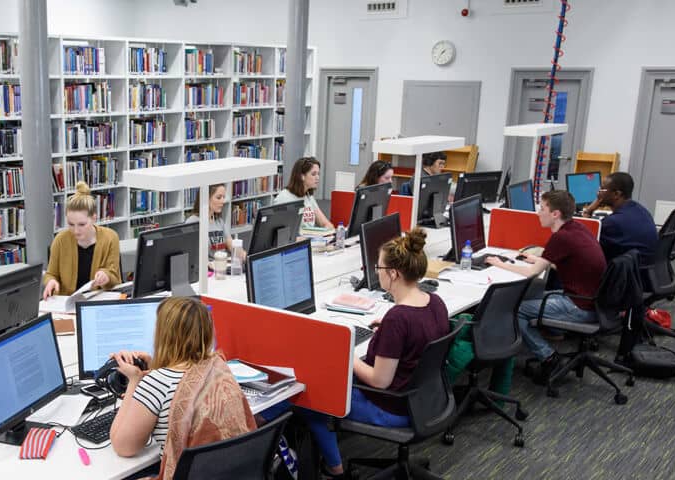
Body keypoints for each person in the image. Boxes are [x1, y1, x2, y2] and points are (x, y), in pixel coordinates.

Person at [259, 228, 449, 477]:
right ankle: (326, 463)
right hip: (424, 400)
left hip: (393, 408)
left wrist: (344, 353)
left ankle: (324, 466)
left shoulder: (399, 319)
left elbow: (379, 380)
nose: (375, 272)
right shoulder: (434, 302)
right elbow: (418, 338)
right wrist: (386, 333)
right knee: (319, 386)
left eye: (378, 268)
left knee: (310, 393)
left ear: (393, 274)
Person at [109, 296, 255, 479]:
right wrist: (155, 368)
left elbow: (123, 446)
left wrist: (134, 381)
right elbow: (182, 380)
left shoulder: (155, 383)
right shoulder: (218, 368)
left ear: (162, 335)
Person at [485, 190, 606, 382]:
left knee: (514, 309)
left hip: (580, 306)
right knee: (529, 298)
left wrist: (498, 263)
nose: (538, 213)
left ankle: (549, 357)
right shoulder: (577, 228)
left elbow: (530, 273)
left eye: (542, 209)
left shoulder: (561, 237)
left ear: (555, 214)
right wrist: (542, 259)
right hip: (590, 300)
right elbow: (571, 263)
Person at [42, 181, 121, 299]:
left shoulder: (110, 238)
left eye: (82, 224)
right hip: (66, 302)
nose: (76, 231)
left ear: (94, 218)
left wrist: (106, 277)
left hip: (97, 300)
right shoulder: (60, 240)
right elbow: (51, 274)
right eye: (71, 224)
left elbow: (115, 279)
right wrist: (51, 282)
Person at [581, 172, 658, 264]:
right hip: (643, 267)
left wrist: (588, 211)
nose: (598, 193)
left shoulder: (613, 223)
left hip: (626, 273)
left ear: (616, 194)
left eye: (602, 189)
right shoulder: (640, 209)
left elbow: (583, 241)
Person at [186, 183, 244, 262]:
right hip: (208, 271)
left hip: (223, 266)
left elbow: (231, 245)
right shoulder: (193, 222)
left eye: (223, 197)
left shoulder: (219, 222)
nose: (222, 201)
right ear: (207, 198)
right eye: (219, 197)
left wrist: (246, 256)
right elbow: (192, 257)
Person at [274, 156, 334, 230]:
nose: (317, 177)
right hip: (297, 240)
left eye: (318, 174)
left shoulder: (308, 196)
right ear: (302, 176)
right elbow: (280, 234)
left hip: (310, 239)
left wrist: (328, 230)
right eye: (313, 174)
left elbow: (325, 223)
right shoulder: (284, 198)